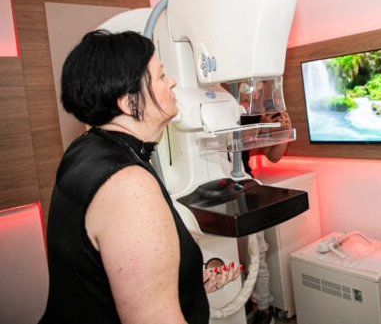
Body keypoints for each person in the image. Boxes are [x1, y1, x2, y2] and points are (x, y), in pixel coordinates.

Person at [39, 30, 242, 324]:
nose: (172, 81)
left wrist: (185, 284)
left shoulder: (85, 148)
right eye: (160, 75)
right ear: (128, 101)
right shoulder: (128, 185)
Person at [240, 111, 292, 324]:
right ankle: (245, 306)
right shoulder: (218, 108)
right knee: (232, 257)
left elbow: (273, 155)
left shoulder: (254, 114)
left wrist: (284, 132)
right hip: (215, 187)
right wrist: (260, 127)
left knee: (256, 252)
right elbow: (225, 140)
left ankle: (264, 310)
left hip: (245, 186)